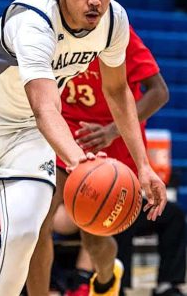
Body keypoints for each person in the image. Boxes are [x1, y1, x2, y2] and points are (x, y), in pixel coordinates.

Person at [0, 0, 167, 295]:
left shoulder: (113, 20)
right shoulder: (33, 19)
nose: (95, 0)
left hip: (29, 130)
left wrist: (144, 165)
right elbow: (45, 106)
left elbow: (117, 90)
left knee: (25, 236)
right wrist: (81, 163)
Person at [27, 25, 170, 296]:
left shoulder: (116, 30)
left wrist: (112, 131)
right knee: (38, 226)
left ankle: (106, 278)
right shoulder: (46, 29)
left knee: (94, 237)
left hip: (112, 145)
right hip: (64, 135)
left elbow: (159, 92)